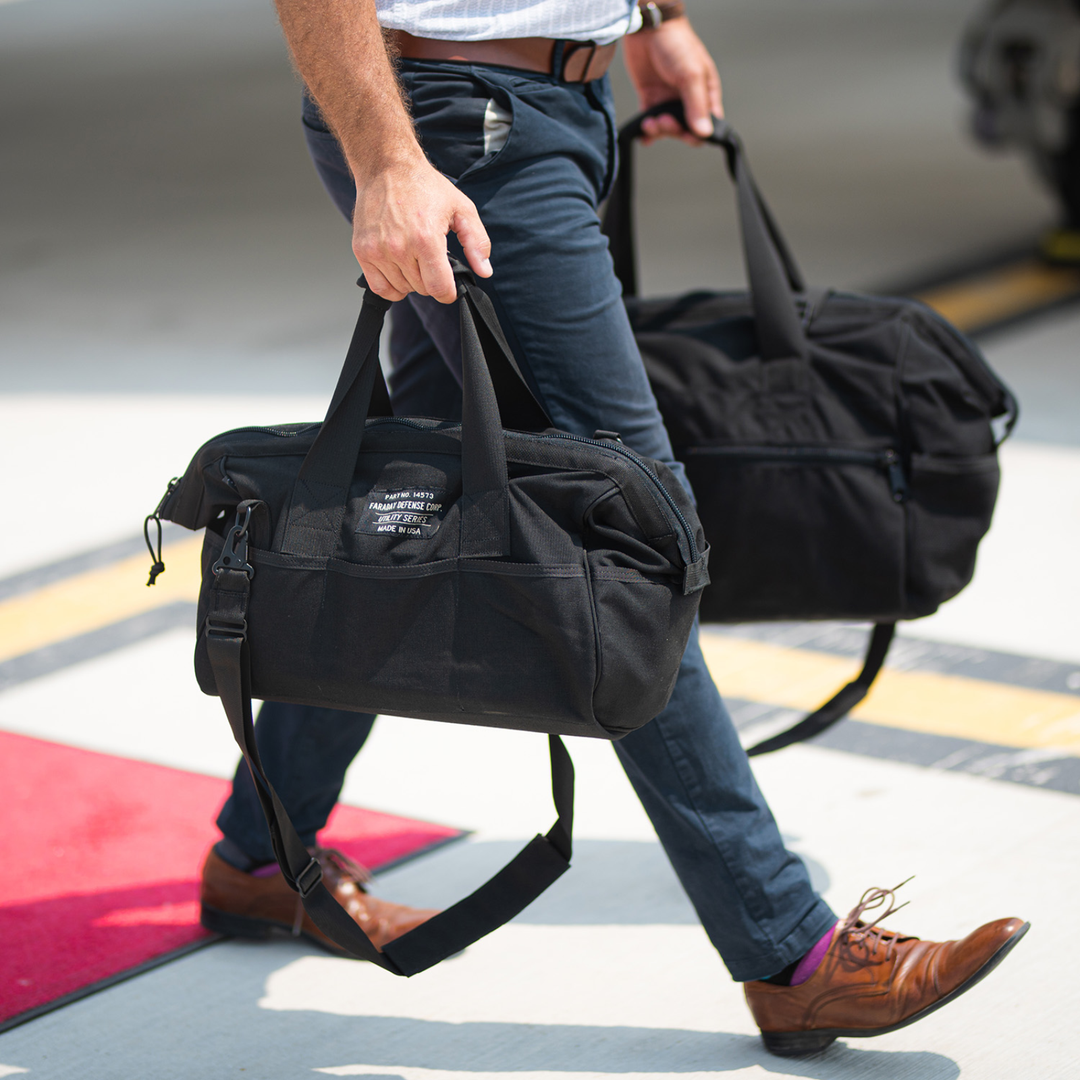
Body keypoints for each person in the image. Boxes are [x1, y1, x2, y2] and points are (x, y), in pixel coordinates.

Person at [199, 0, 1028, 1058]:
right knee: (636, 535)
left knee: (427, 510)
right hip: (461, 121)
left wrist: (652, 17)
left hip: (552, 105)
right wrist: (387, 160)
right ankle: (793, 955)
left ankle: (259, 858)